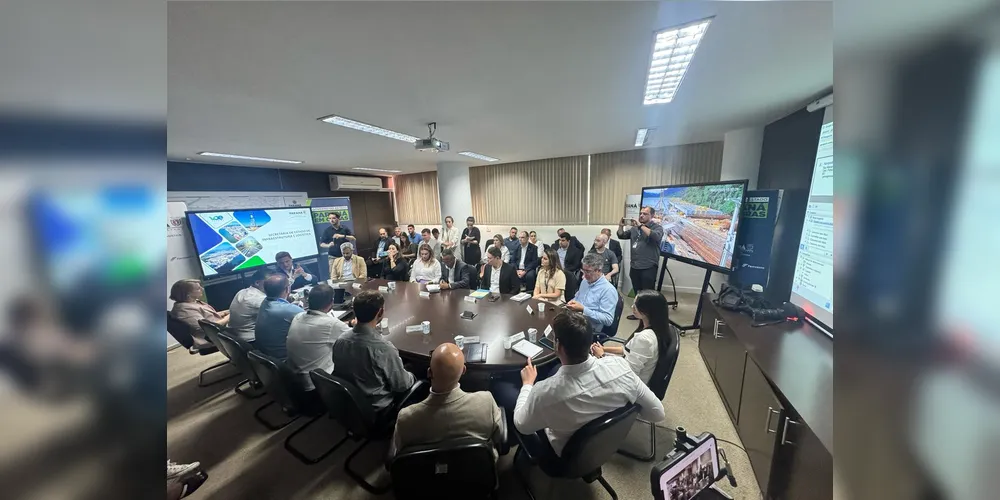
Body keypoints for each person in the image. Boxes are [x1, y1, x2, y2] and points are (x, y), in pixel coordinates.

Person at [498, 310, 665, 457]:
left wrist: (527, 385)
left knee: (501, 388)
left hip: (562, 456)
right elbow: (658, 413)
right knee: (556, 369)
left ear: (559, 346)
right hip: (604, 446)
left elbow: (522, 425)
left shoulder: (544, 393)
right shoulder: (621, 367)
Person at [391, 343, 504, 459]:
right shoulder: (486, 403)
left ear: (429, 372)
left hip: (425, 474)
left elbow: (400, 450)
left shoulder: (405, 418)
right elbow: (499, 437)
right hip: (477, 470)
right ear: (463, 371)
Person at [332, 290, 420, 416]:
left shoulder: (340, 340)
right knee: (417, 369)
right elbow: (402, 385)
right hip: (377, 408)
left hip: (350, 403)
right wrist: (412, 373)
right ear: (380, 312)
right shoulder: (383, 348)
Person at [590, 290, 672, 385]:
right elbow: (628, 349)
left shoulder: (644, 339)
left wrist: (601, 356)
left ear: (647, 311)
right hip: (627, 373)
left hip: (629, 385)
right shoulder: (658, 329)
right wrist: (604, 349)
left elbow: (628, 375)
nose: (632, 307)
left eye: (636, 305)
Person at [286, 283, 352, 393]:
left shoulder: (298, 317)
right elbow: (359, 337)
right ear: (331, 302)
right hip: (318, 385)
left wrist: (348, 323)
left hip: (296, 379)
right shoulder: (331, 324)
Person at [618, 206, 664, 320]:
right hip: (635, 266)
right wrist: (620, 226)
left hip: (648, 266)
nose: (641, 215)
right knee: (638, 293)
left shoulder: (657, 227)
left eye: (645, 214)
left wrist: (641, 226)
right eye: (641, 213)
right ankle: (638, 314)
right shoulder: (634, 229)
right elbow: (621, 235)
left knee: (648, 294)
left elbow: (656, 237)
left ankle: (649, 317)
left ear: (652, 216)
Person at [565, 253, 619, 336]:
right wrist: (572, 302)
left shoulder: (608, 290)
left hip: (590, 328)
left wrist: (583, 309)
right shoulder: (585, 282)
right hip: (576, 320)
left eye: (588, 271)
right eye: (583, 270)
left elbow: (608, 320)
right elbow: (577, 298)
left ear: (599, 270)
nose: (584, 275)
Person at [169, 279, 229, 353]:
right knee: (245, 324)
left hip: (219, 331)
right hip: (213, 337)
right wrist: (228, 318)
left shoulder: (192, 302)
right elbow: (208, 327)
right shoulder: (184, 310)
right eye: (198, 288)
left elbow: (208, 316)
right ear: (188, 294)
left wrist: (226, 312)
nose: (202, 289)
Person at [254, 273, 304, 360]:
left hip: (267, 357)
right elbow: (313, 320)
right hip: (285, 360)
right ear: (287, 289)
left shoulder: (264, 302)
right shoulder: (289, 309)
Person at [226, 268, 270, 344]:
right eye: (270, 282)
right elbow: (283, 312)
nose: (275, 284)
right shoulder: (258, 299)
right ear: (257, 283)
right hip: (252, 341)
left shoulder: (242, 292)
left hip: (236, 338)